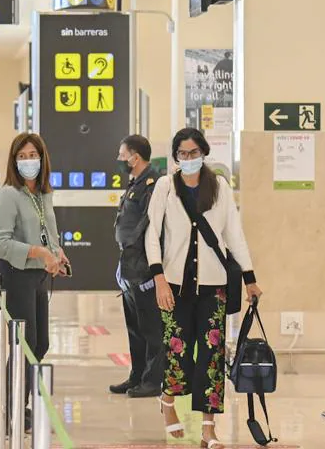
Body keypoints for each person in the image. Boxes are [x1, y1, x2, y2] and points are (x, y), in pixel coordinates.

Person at [145, 128, 264, 449]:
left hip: (215, 286)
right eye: (183, 154)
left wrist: (250, 278)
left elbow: (234, 234)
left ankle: (209, 428)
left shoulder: (220, 187)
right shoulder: (166, 187)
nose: (189, 159)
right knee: (177, 351)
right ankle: (168, 403)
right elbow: (152, 234)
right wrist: (158, 278)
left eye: (194, 152)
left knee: (211, 357)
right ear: (175, 157)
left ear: (204, 152)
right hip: (174, 285)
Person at [0, 132, 68, 429]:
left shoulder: (43, 193)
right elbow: (1, 243)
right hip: (15, 274)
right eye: (21, 156)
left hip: (38, 275)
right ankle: (12, 408)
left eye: (32, 155)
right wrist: (37, 252)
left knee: (41, 343)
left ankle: (18, 403)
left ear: (42, 158)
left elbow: (50, 232)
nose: (27, 161)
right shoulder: (10, 194)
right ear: (13, 161)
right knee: (25, 343)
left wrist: (57, 254)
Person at [109, 135, 165, 399]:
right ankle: (137, 376)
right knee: (135, 325)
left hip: (142, 265)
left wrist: (145, 266)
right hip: (130, 263)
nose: (119, 160)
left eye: (122, 155)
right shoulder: (136, 184)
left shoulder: (153, 184)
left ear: (135, 157)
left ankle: (153, 380)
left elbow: (149, 225)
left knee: (151, 326)